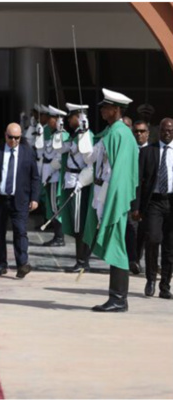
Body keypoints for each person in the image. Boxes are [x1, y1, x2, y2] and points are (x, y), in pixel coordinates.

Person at [81, 88, 138, 313]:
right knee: (115, 245)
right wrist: (83, 135)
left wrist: (110, 200)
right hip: (104, 194)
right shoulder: (110, 132)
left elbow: (119, 173)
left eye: (105, 107)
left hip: (111, 196)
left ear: (115, 109)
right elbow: (91, 158)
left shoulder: (119, 133)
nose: (102, 111)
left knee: (117, 246)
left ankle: (118, 299)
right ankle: (117, 298)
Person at [0, 123, 40, 278]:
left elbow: (35, 177)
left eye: (17, 138)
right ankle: (1, 265)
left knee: (20, 231)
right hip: (0, 199)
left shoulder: (28, 153)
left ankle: (22, 264)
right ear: (5, 135)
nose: (13, 140)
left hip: (20, 200)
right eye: (10, 137)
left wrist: (34, 198)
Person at [131, 118, 173, 299]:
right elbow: (138, 182)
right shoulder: (149, 152)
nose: (167, 133)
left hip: (171, 202)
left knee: (170, 247)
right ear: (158, 131)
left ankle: (165, 286)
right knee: (153, 240)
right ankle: (150, 280)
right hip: (153, 202)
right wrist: (136, 207)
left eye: (170, 130)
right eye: (164, 129)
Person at [59, 103, 95, 273]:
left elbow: (88, 158)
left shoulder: (86, 136)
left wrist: (84, 131)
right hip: (70, 181)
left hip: (79, 183)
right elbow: (58, 148)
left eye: (71, 116)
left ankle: (82, 261)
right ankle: (80, 260)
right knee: (75, 224)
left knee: (79, 225)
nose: (68, 120)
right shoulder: (74, 136)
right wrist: (59, 133)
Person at [40, 105, 69, 247]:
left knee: (55, 206)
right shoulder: (53, 135)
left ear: (58, 120)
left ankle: (59, 237)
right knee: (53, 206)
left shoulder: (61, 135)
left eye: (51, 118)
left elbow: (58, 159)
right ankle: (58, 236)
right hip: (51, 175)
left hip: (55, 176)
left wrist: (47, 174)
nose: (49, 121)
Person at [126, 120, 152, 275]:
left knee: (146, 231)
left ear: (148, 133)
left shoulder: (153, 150)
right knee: (131, 228)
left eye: (142, 131)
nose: (139, 134)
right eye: (136, 131)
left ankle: (142, 259)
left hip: (148, 197)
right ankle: (133, 259)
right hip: (131, 195)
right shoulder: (128, 150)